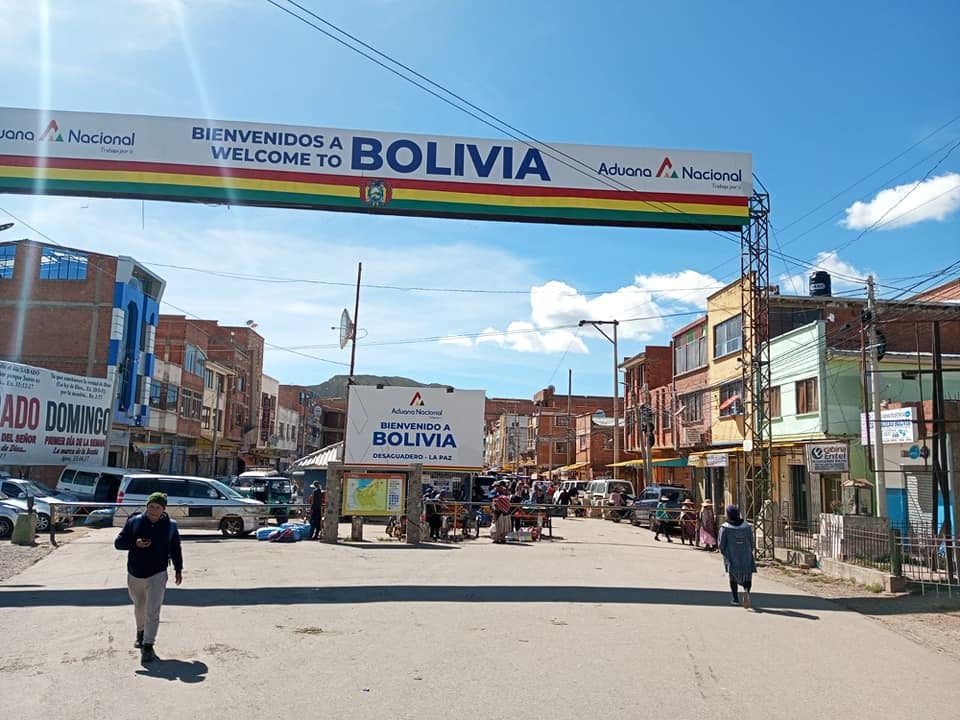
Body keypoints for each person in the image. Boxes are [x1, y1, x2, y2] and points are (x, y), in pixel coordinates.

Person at [114, 492, 183, 663]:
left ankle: (148, 646)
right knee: (139, 606)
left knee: (153, 610)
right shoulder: (134, 522)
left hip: (158, 573)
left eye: (157, 507)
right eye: (151, 506)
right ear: (147, 506)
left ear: (163, 509)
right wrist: (134, 543)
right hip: (135, 572)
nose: (153, 510)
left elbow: (175, 549)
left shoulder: (170, 526)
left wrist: (178, 569)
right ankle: (140, 632)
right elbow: (118, 543)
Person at [718, 504, 757, 609]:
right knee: (747, 577)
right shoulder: (747, 526)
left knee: (733, 578)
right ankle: (746, 591)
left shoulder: (725, 527)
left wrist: (723, 552)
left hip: (732, 557)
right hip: (746, 556)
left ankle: (735, 598)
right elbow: (751, 542)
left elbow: (721, 544)